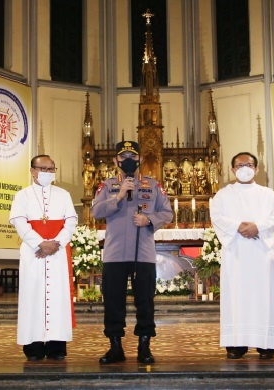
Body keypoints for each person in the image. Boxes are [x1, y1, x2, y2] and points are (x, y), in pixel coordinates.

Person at [91, 141, 173, 364]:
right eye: (123, 156)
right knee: (113, 301)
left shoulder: (153, 185)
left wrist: (149, 219)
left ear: (139, 160)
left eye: (133, 156)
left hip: (143, 253)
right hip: (115, 254)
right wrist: (118, 197)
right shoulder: (107, 186)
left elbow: (168, 212)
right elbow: (95, 211)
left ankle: (144, 346)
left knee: (145, 301)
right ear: (116, 161)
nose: (128, 160)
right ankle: (115, 347)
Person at [209, 152, 274, 360]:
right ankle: (237, 342)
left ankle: (267, 343)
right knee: (237, 295)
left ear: (257, 169)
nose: (244, 168)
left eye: (249, 164)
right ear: (232, 170)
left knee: (265, 295)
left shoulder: (268, 194)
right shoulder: (223, 195)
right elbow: (216, 216)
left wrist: (257, 227)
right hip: (236, 254)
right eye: (240, 165)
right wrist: (239, 227)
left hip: (262, 252)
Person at [9, 155, 78, 361]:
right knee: (33, 297)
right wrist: (40, 244)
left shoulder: (63, 194)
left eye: (51, 169)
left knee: (58, 298)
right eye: (44, 169)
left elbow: (71, 221)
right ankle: (34, 347)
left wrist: (56, 243)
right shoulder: (22, 196)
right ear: (32, 171)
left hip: (57, 253)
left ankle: (57, 346)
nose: (48, 173)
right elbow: (20, 222)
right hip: (33, 253)